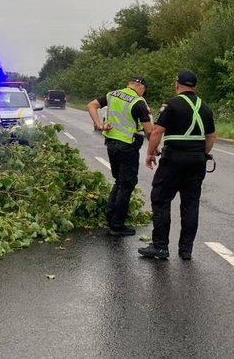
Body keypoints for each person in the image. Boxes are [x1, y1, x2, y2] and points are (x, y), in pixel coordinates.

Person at [138, 70, 216, 260]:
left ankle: (160, 247)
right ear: (195, 87)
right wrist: (201, 154)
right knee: (190, 204)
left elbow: (157, 131)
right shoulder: (205, 108)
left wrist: (149, 153)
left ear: (177, 84)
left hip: (174, 160)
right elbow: (211, 136)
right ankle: (186, 249)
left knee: (161, 199)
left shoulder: (171, 104)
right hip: (197, 162)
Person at [87, 76, 153, 236]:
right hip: (127, 147)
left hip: (111, 144)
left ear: (129, 84)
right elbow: (149, 131)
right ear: (142, 88)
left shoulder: (113, 94)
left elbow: (91, 105)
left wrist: (98, 124)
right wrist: (154, 148)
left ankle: (110, 218)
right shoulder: (138, 101)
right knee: (127, 184)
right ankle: (117, 225)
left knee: (119, 182)